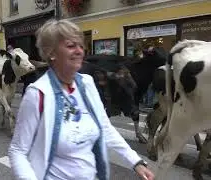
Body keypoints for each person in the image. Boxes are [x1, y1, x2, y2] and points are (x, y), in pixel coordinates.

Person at [8, 19, 154, 180]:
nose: (79, 50)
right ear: (51, 53)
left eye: (80, 45)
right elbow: (18, 150)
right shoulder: (38, 94)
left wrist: (136, 162)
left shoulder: (87, 83)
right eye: (71, 46)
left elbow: (105, 127)